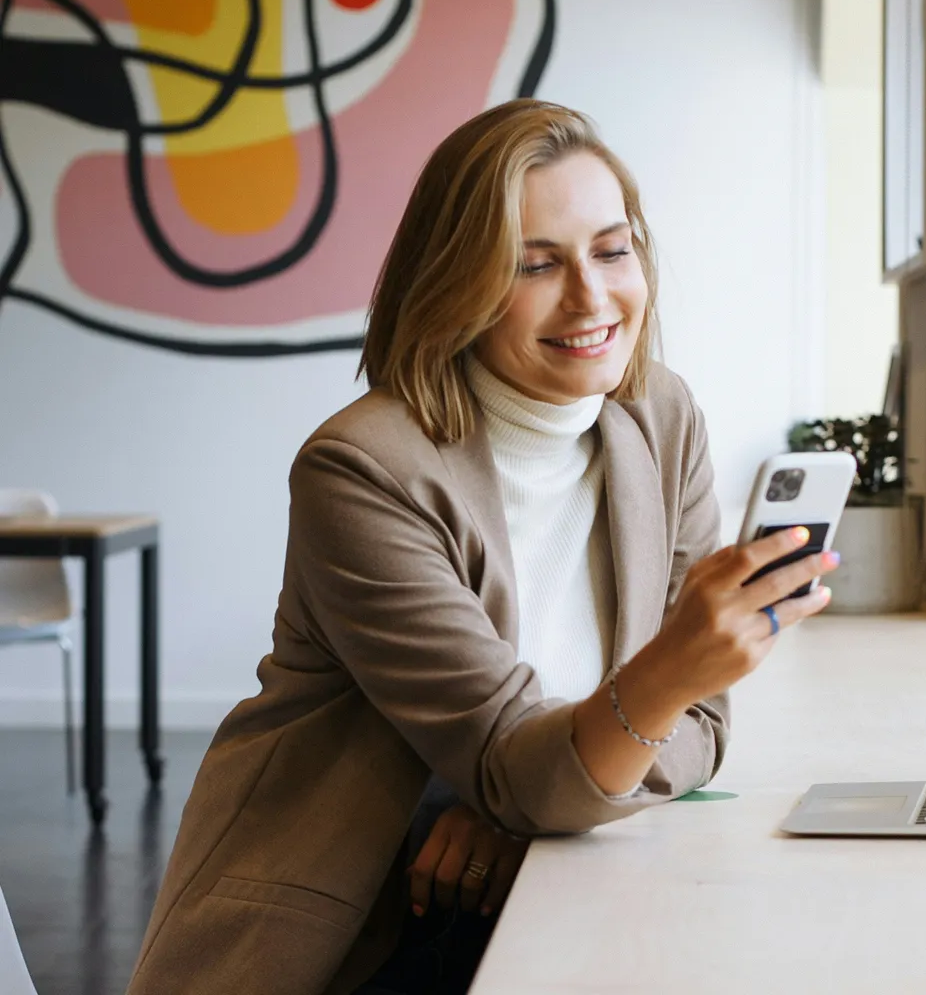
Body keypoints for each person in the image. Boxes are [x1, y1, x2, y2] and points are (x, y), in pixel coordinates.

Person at [126, 100, 838, 995]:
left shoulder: (660, 417)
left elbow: (696, 730)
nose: (590, 296)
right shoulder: (364, 468)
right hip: (359, 931)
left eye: (612, 250)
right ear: (456, 283)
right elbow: (587, 742)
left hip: (531, 878)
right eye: (534, 265)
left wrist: (537, 809)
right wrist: (582, 753)